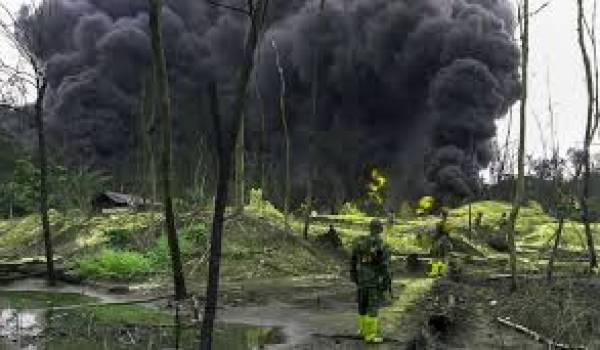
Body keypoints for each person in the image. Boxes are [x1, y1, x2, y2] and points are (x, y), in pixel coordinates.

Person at [350, 219, 391, 343]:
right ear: (380, 229)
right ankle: (371, 335)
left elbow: (352, 260)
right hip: (374, 281)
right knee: (372, 308)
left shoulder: (360, 242)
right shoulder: (382, 245)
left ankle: (362, 330)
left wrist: (354, 275)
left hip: (361, 279)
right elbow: (385, 266)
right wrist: (386, 282)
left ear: (370, 228)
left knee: (362, 306)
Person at [428, 210, 453, 278]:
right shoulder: (448, 224)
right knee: (444, 258)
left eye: (440, 215)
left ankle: (435, 272)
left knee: (436, 257)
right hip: (445, 241)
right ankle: (443, 272)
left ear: (442, 215)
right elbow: (448, 233)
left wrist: (433, 240)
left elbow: (437, 234)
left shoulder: (439, 224)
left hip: (440, 241)